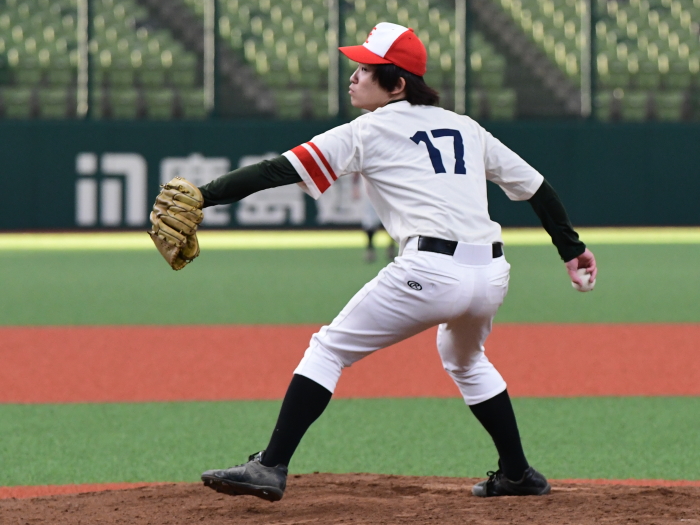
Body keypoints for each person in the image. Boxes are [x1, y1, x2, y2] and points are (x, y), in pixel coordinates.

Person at [197, 22, 597, 501]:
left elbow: (274, 170)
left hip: (430, 271)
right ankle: (517, 474)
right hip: (490, 275)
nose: (354, 76)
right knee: (466, 360)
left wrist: (202, 196)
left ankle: (270, 465)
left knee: (328, 350)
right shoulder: (465, 127)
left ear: (397, 84)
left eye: (366, 69)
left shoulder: (369, 130)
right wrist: (571, 249)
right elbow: (537, 188)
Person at [353, 172, 397, 263]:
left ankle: (391, 247)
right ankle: (370, 248)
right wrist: (355, 185)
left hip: (388, 181)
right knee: (369, 219)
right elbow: (356, 166)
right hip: (368, 181)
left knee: (392, 217)